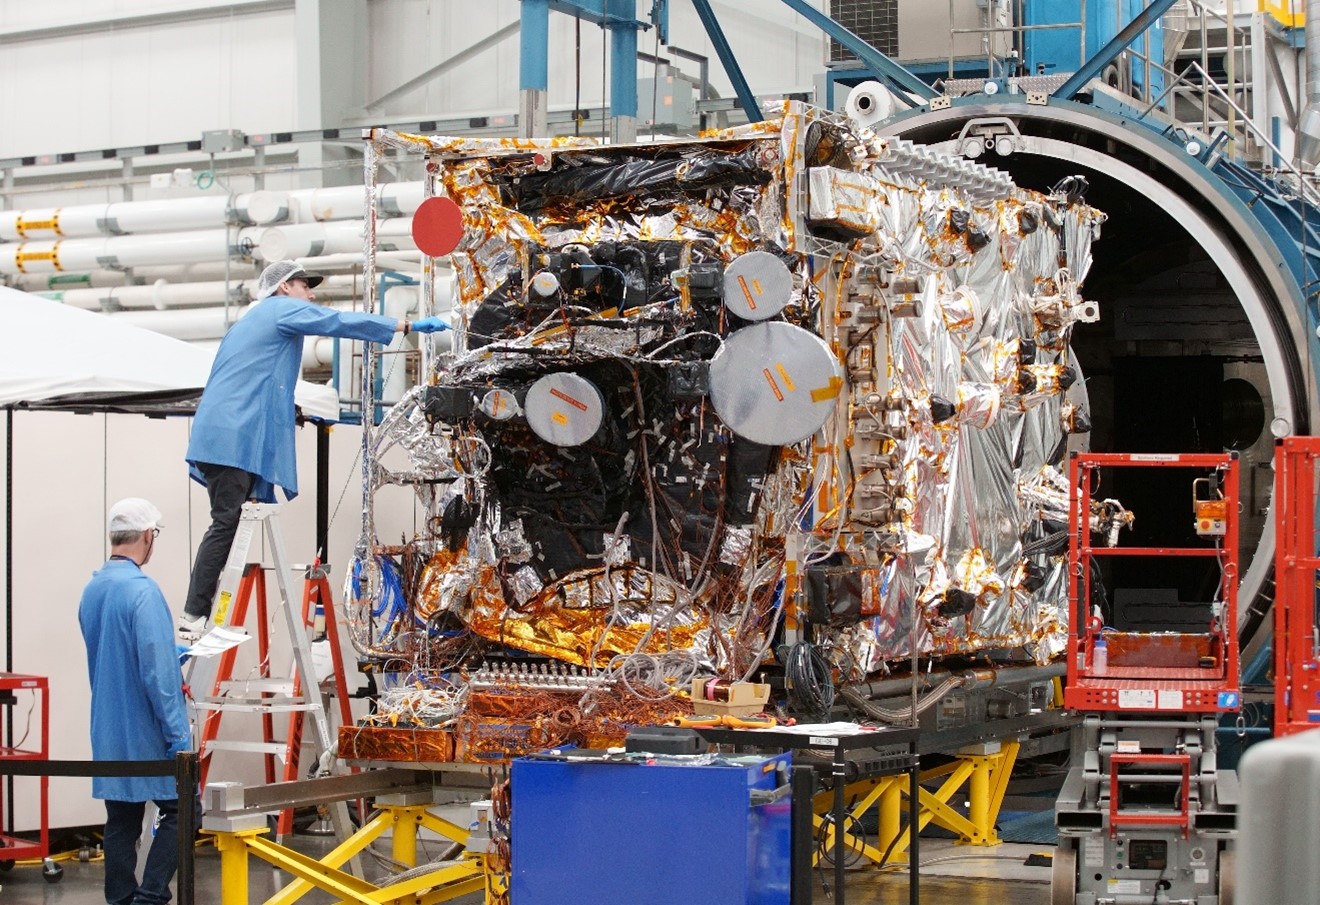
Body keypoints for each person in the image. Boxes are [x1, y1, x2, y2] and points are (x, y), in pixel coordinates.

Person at [177, 260, 448, 639]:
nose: (311, 293)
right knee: (225, 522)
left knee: (229, 519)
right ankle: (194, 615)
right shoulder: (278, 309)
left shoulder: (251, 323)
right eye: (305, 285)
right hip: (232, 437)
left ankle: (202, 613)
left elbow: (256, 380)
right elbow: (335, 322)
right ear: (284, 287)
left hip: (221, 434)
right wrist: (404, 326)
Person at [79, 498, 193, 905]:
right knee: (184, 812)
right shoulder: (144, 593)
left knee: (122, 822)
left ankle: (121, 900)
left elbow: (116, 651)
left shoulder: (93, 589)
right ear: (148, 536)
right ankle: (149, 897)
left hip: (108, 730)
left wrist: (170, 647)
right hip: (146, 731)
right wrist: (179, 739)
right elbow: (158, 679)